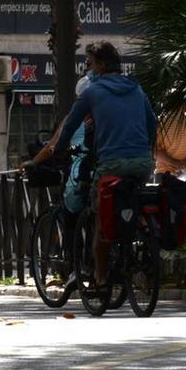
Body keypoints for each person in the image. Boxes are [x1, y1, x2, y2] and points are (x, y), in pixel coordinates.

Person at [32, 40, 158, 285]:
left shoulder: (92, 92)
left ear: (99, 65)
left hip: (111, 164)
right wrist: (145, 149)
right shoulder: (136, 89)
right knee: (134, 198)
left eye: (89, 63)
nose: (87, 68)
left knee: (99, 214)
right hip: (143, 163)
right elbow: (152, 123)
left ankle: (100, 276)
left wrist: (58, 151)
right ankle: (140, 230)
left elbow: (69, 125)